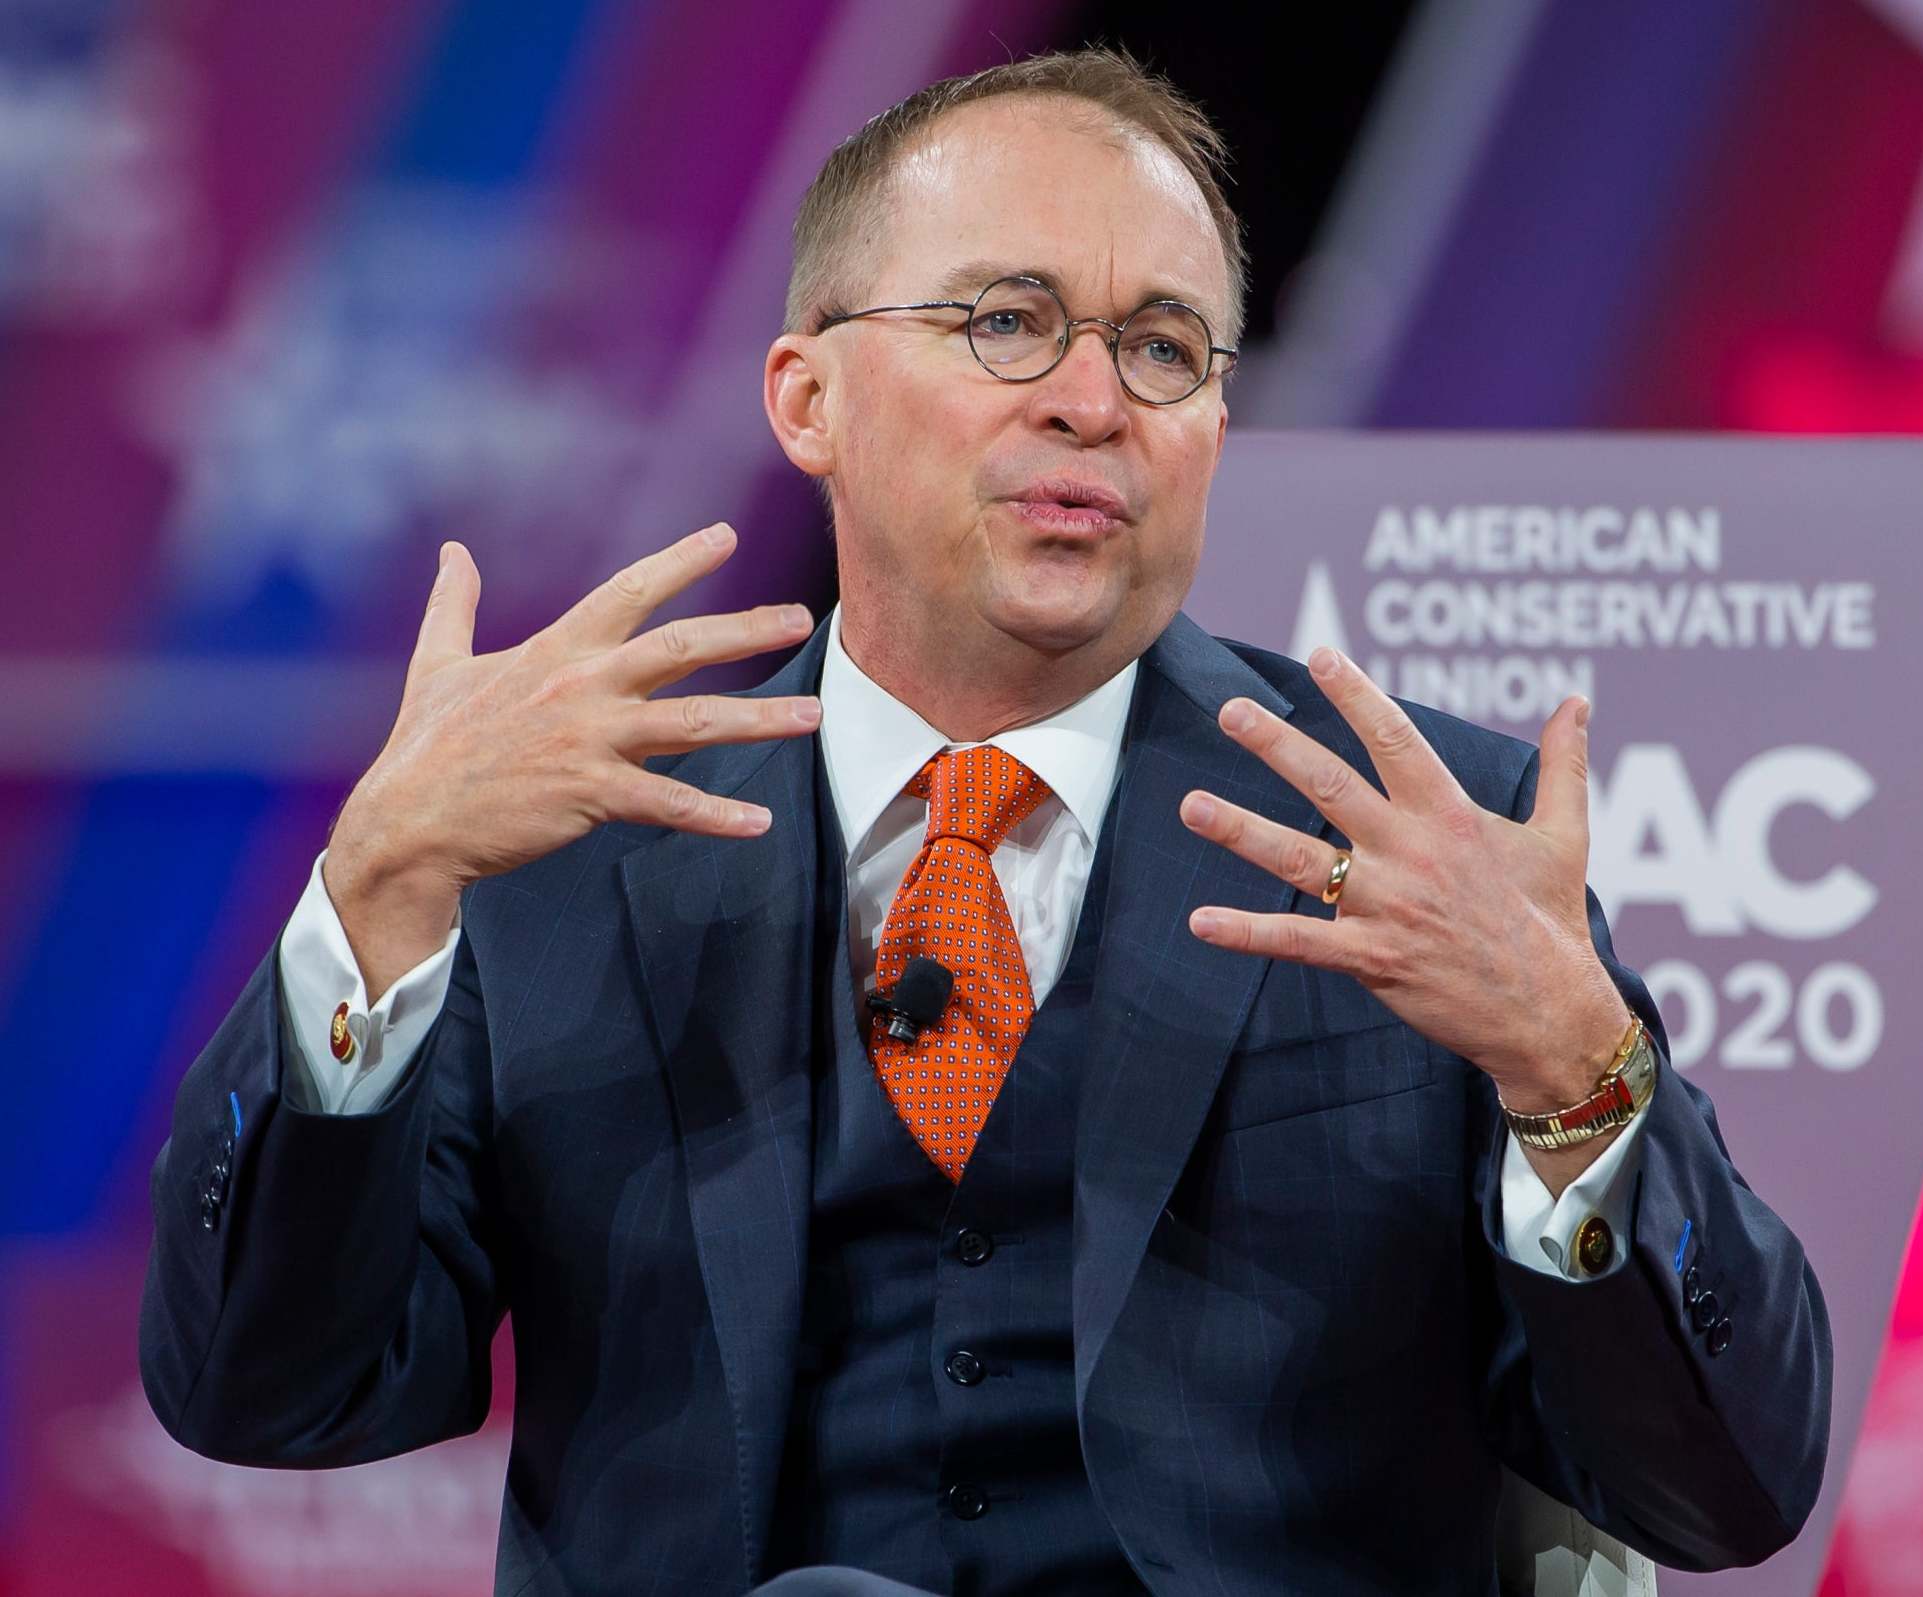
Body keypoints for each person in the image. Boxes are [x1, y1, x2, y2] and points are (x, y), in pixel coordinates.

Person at [139, 47, 1831, 1597]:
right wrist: (374, 889)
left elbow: (1726, 1493)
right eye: (1007, 323)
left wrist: (1576, 1071)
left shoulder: (1420, 838)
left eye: (1162, 349)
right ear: (807, 398)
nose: (1092, 403)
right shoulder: (571, 838)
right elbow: (274, 1393)